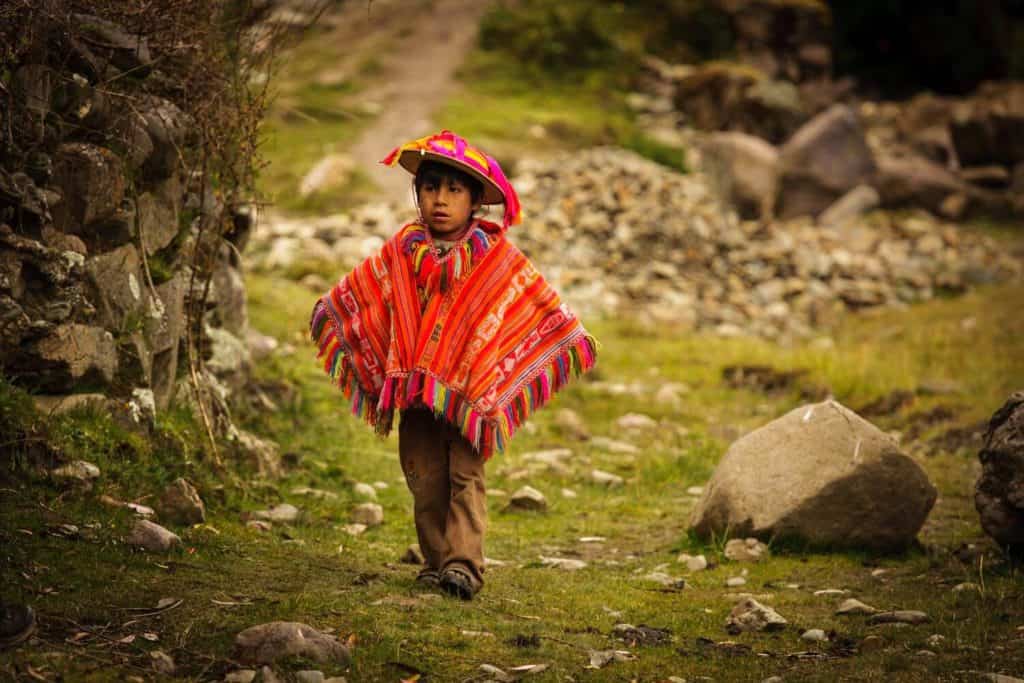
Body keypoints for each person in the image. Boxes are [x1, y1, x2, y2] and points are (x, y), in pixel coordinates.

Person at [310, 130, 597, 599]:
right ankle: (435, 560)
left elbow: (536, 308)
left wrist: (567, 338)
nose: (440, 200)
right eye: (430, 188)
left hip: (470, 391)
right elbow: (363, 297)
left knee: (465, 475)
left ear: (475, 202)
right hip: (413, 391)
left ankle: (464, 565)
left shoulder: (497, 259)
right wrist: (332, 313)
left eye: (454, 190)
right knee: (423, 476)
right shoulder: (401, 252)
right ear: (418, 193)